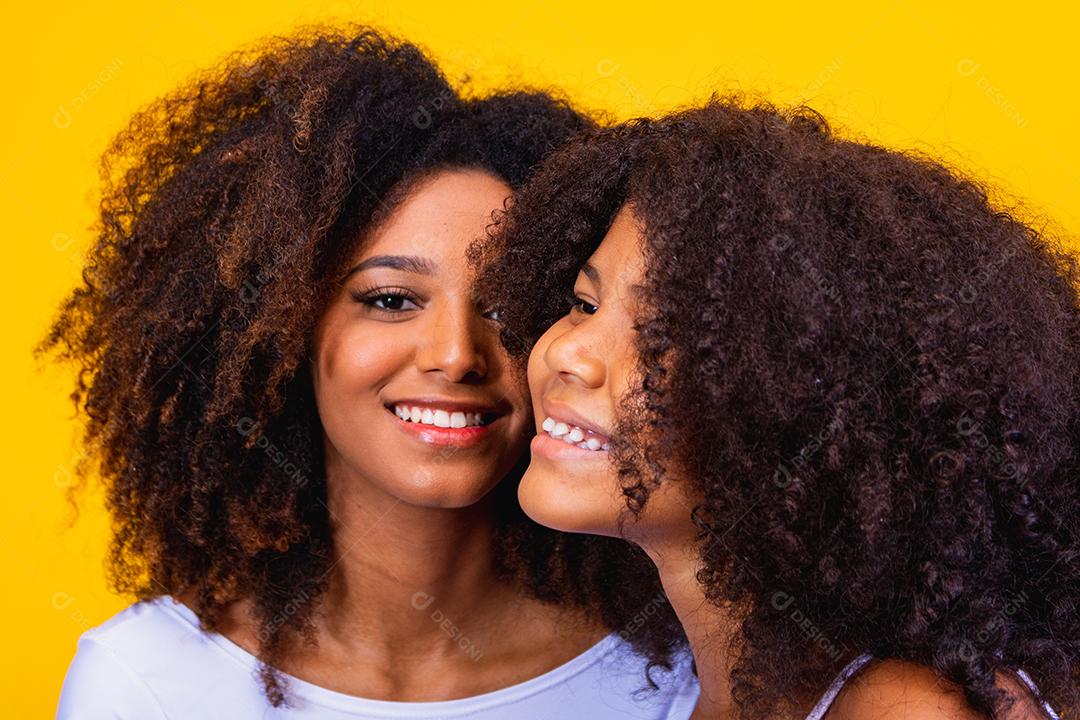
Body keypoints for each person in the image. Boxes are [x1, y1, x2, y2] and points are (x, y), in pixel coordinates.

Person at [44, 26, 695, 718]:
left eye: (510, 308)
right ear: (284, 328)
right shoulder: (146, 683)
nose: (454, 354)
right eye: (390, 300)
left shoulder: (673, 680)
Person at [471, 94, 1080, 719]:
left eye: (664, 335)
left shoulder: (913, 710)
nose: (569, 352)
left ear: (805, 407)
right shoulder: (705, 693)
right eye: (585, 303)